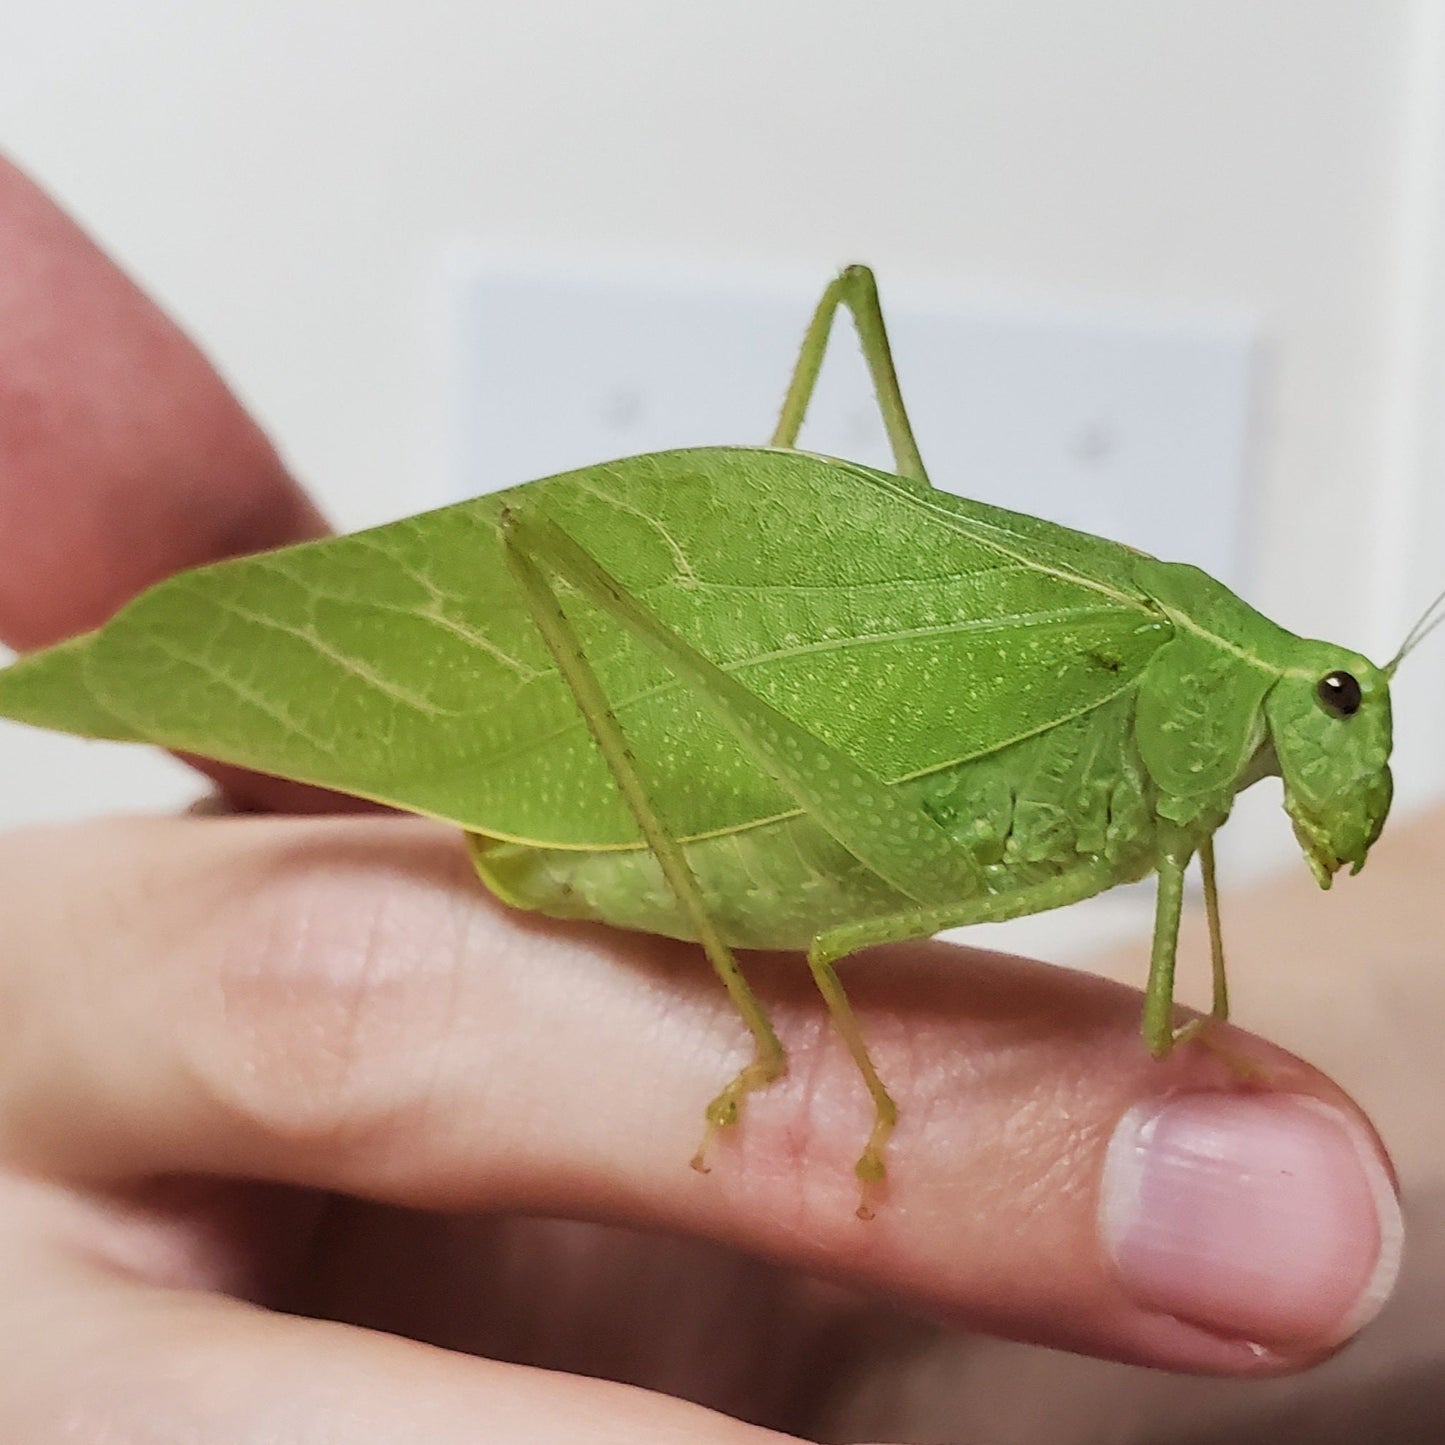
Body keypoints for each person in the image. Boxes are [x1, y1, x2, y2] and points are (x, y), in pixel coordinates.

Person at [0, 154, 1405, 1442]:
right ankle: (750, 1034)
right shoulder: (1171, 656)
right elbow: (1124, 1002)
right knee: (698, 483)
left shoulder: (1204, 738)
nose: (1343, 738)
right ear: (1295, 680)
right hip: (758, 827)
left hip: (817, 883)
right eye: (1341, 698)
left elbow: (1177, 990)